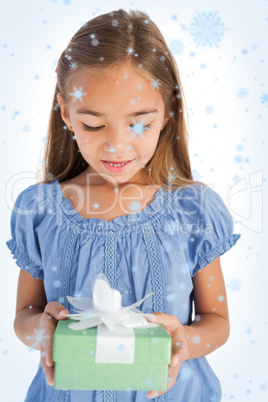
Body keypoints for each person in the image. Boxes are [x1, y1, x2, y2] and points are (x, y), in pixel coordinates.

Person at [6, 8, 241, 402]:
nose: (116, 146)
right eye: (94, 125)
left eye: (140, 123)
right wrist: (42, 332)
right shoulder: (40, 210)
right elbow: (24, 315)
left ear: (167, 111)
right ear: (66, 112)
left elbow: (217, 321)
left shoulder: (193, 211)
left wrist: (185, 339)